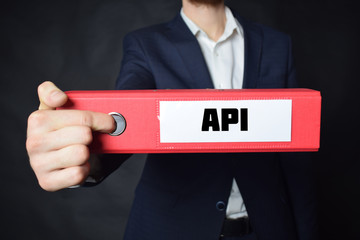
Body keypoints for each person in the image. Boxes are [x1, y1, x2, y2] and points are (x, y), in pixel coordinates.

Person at [26, 0, 317, 239]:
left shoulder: (279, 44)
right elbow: (126, 119)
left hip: (269, 228)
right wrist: (86, 158)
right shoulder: (145, 44)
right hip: (173, 228)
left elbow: (297, 159)